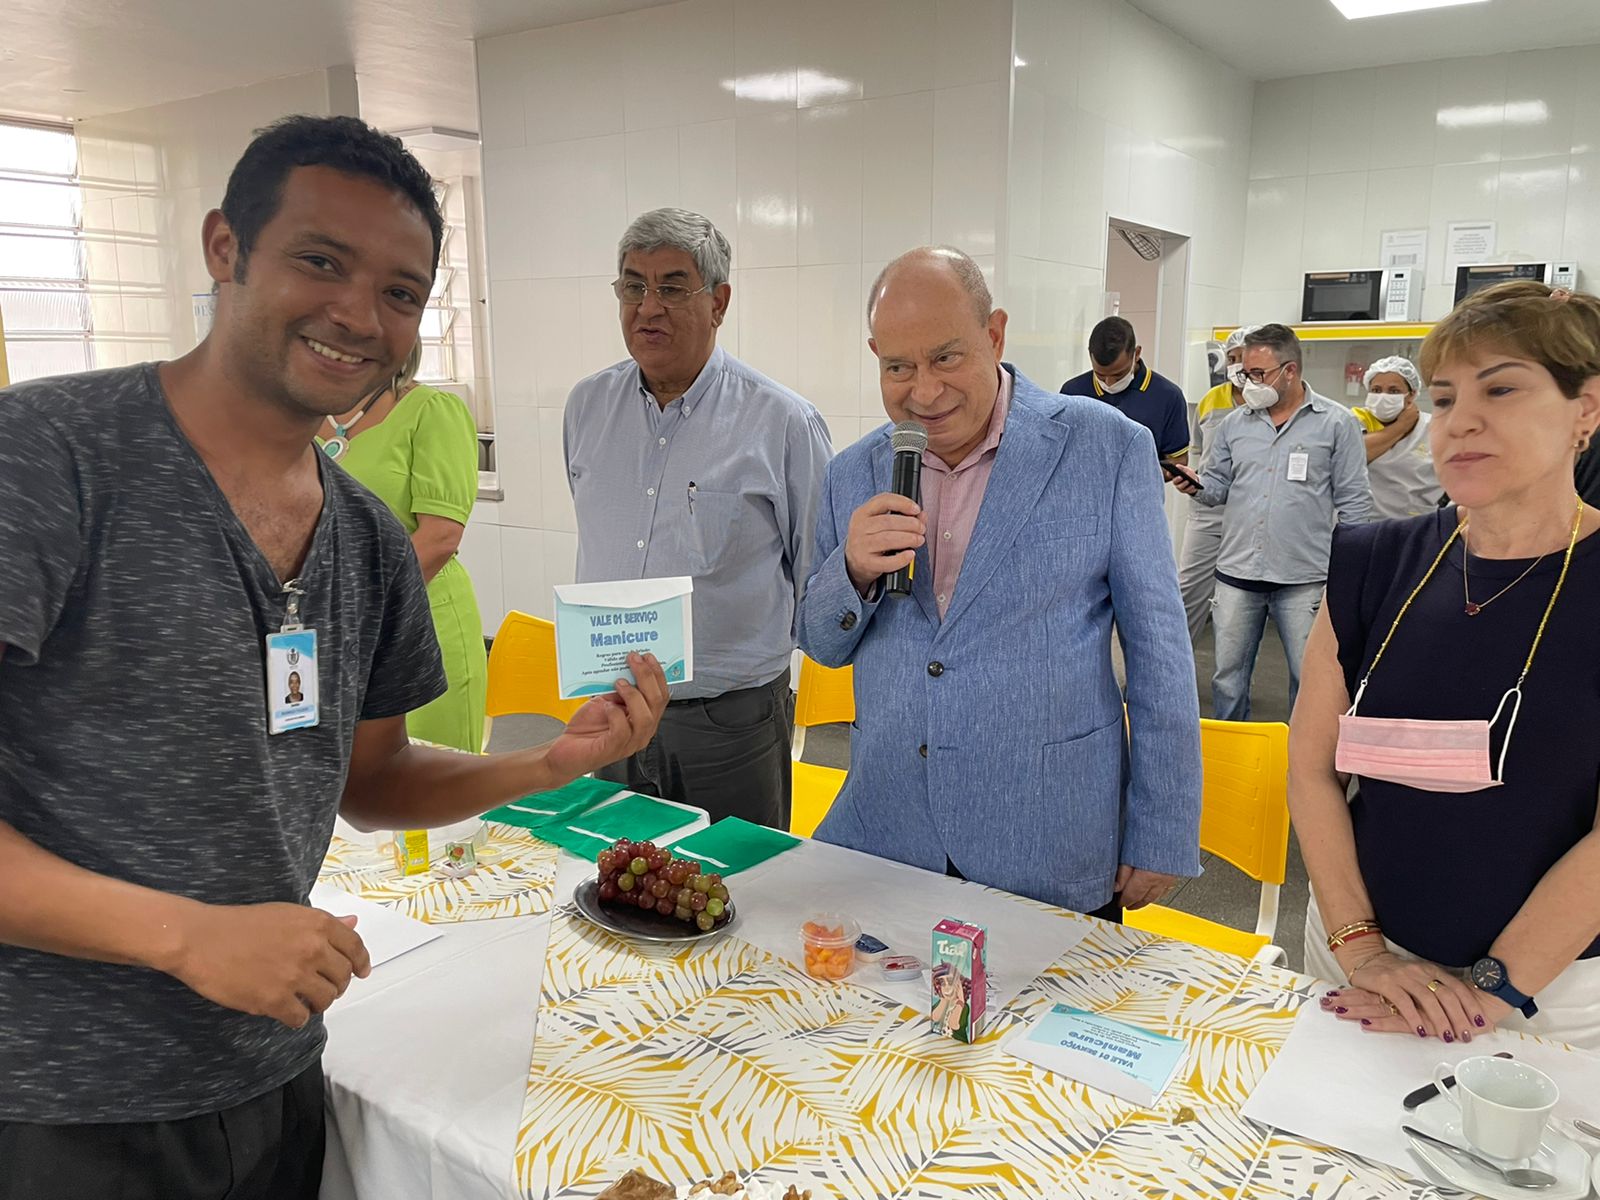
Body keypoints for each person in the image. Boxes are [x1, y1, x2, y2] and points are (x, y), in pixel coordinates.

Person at [0, 115, 668, 1200]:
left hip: (272, 1076)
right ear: (225, 248)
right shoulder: (49, 457)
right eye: (320, 261)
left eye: (400, 291)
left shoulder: (364, 540)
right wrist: (185, 937)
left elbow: (373, 781)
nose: (359, 314)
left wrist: (544, 764)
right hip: (59, 1104)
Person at [799, 246, 1201, 917]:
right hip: (890, 836)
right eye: (898, 367)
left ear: (995, 335)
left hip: (1047, 836)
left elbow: (1160, 650)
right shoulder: (853, 471)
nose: (924, 391)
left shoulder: (1106, 447)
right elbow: (820, 643)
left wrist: (1163, 827)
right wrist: (852, 571)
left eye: (946, 358)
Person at [1290, 281, 1600, 1051]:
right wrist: (1361, 948)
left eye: (1501, 389)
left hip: (1546, 994)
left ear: (1586, 410)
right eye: (1444, 397)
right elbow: (1311, 766)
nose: (1460, 421)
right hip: (1356, 961)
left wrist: (1489, 991)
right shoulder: (1374, 562)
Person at [565, 208, 833, 830]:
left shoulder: (782, 422)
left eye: (672, 287)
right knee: (613, 872)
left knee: (738, 879)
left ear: (719, 302)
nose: (648, 308)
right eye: (633, 286)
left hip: (729, 722)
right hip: (613, 706)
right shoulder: (586, 407)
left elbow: (817, 571)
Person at [1170, 324, 1373, 720]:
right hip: (1237, 573)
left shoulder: (1336, 423)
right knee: (1227, 679)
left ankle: (1301, 753)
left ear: (1290, 371)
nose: (1249, 383)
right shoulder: (1234, 425)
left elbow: (1355, 502)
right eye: (1246, 373)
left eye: (1258, 374)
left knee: (1308, 677)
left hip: (1303, 577)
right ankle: (1232, 746)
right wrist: (1195, 485)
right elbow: (1217, 489)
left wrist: (1350, 573)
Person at [321, 341, 488, 752]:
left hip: (420, 623)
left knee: (432, 775)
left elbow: (440, 537)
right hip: (330, 631)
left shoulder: (431, 410)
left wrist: (358, 608)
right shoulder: (302, 416)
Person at [1177, 324, 1257, 641]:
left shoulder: (1269, 401)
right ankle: (1173, 664)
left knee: (1239, 603)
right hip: (1208, 511)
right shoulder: (1211, 400)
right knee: (1188, 591)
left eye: (1243, 358)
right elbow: (1199, 448)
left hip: (1251, 513)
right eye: (1232, 358)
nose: (1237, 366)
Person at [1060, 315, 1190, 463]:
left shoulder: (1168, 397)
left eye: (1118, 375)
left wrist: (1137, 471)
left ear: (1137, 354)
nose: (1109, 383)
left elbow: (1178, 460)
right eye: (1100, 375)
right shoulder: (1072, 393)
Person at [1350, 355, 1443, 520]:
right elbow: (1354, 455)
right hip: (1366, 524)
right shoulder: (1355, 420)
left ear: (1411, 395)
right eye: (1376, 390)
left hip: (1419, 523)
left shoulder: (1433, 427)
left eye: (1394, 391)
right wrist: (1401, 426)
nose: (1383, 397)